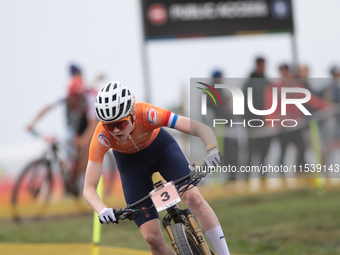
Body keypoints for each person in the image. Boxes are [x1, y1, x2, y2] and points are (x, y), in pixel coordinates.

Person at [83, 82, 231, 255]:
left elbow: (200, 128)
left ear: (131, 114)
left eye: (121, 124)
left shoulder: (147, 113)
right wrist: (102, 209)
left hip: (162, 151)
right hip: (132, 168)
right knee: (152, 239)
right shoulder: (101, 136)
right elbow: (88, 188)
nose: (115, 131)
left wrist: (212, 149)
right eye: (109, 126)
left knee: (193, 198)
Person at [27, 64, 98, 195]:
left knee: (85, 146)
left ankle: (83, 181)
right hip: (77, 117)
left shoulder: (89, 98)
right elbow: (47, 107)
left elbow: (93, 124)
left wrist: (83, 141)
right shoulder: (66, 93)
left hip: (91, 118)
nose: (72, 101)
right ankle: (72, 173)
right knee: (71, 141)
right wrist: (32, 123)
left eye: (75, 99)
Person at [242, 57, 272, 188]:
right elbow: (243, 104)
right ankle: (246, 182)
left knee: (264, 154)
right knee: (252, 152)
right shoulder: (249, 83)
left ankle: (263, 181)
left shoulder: (267, 82)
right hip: (252, 123)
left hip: (266, 123)